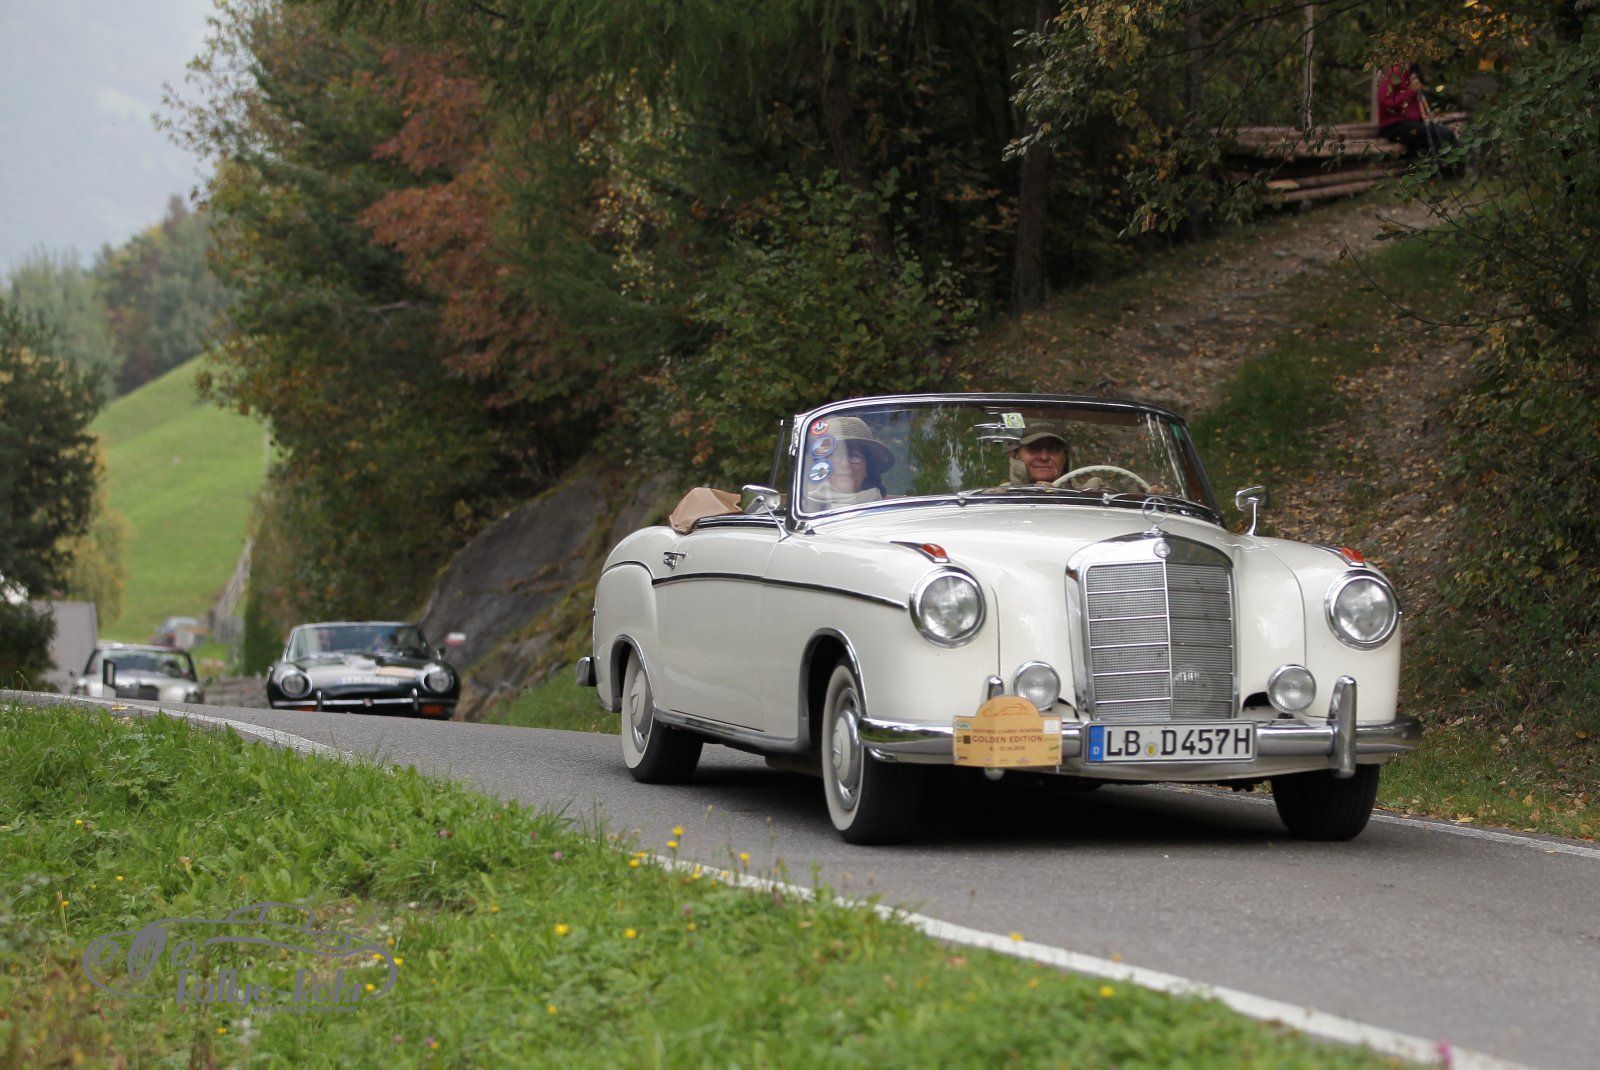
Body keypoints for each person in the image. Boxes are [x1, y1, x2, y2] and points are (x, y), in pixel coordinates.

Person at [805, 415, 894, 507]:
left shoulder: (889, 510)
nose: (845, 464)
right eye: (836, 455)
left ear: (867, 467)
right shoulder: (803, 508)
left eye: (853, 456)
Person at [1377, 62, 1459, 159]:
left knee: (1448, 134)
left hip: (1409, 124)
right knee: (1440, 135)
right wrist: (1411, 91)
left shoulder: (1411, 74)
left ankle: (1450, 163)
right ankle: (1440, 164)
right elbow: (1385, 102)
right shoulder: (1395, 73)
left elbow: (1413, 107)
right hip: (1393, 126)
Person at [1007, 421, 1070, 486]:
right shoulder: (1002, 492)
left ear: (1064, 457)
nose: (1044, 457)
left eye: (1053, 449)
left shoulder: (1076, 491)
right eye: (1033, 448)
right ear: (1014, 454)